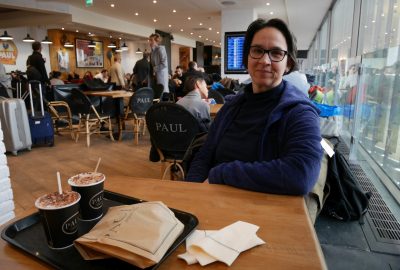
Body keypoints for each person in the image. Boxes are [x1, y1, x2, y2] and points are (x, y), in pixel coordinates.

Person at [186, 18, 323, 197]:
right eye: (257, 51)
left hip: (263, 214)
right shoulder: (231, 107)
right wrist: (191, 194)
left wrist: (222, 173)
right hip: (213, 205)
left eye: (275, 53)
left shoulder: (299, 112)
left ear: (288, 63)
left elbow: (301, 174)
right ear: (247, 58)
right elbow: (204, 156)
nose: (265, 60)